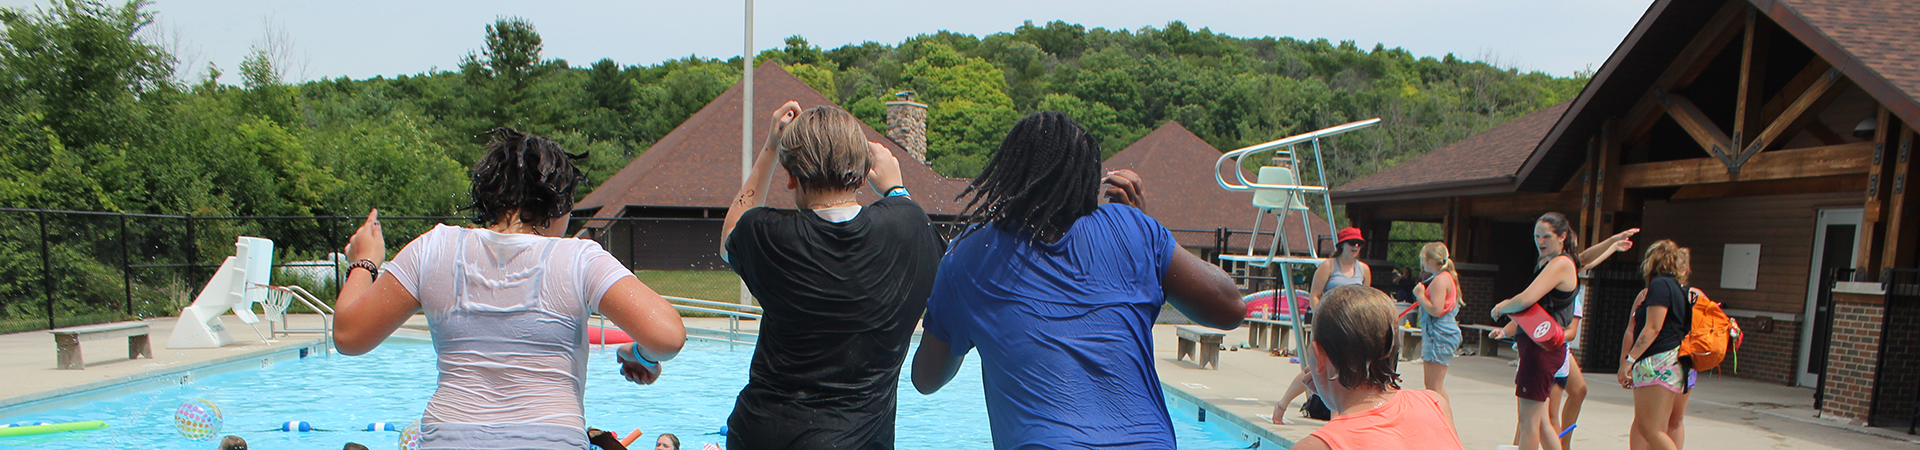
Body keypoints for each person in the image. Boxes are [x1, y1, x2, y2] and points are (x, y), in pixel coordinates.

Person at [332, 128, 688, 449]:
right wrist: (641, 354)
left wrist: (363, 263)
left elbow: (349, 336)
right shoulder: (577, 257)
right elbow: (668, 336)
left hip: (449, 437)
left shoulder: (433, 248)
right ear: (559, 200)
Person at [911, 111, 1245, 448]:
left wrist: (964, 324)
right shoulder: (1133, 230)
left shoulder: (971, 255)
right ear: (1088, 179)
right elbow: (1230, 308)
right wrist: (1145, 230)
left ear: (1009, 175)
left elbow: (925, 379)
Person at [719, 102, 945, 449]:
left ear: (791, 177)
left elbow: (730, 234)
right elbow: (916, 222)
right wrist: (896, 189)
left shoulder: (770, 235)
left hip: (763, 433)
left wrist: (770, 149)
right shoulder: (909, 227)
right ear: (863, 170)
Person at [1290, 285, 1462, 450]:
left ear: (1319, 356)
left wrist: (1333, 392)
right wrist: (1335, 396)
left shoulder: (1317, 446)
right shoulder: (1435, 403)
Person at [1486, 212, 1583, 450]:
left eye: (1546, 236)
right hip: (1543, 350)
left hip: (1541, 351)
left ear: (1562, 237)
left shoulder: (1560, 263)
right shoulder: (1557, 262)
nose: (1540, 241)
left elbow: (1526, 299)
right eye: (1536, 236)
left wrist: (1501, 307)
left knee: (1528, 422)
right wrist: (1612, 244)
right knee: (1541, 422)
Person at [1271, 227, 1372, 424]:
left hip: (1352, 329)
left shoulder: (1364, 269)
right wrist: (1324, 317)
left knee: (1346, 371)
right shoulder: (1328, 266)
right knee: (1315, 371)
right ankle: (1282, 404)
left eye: (1359, 243)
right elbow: (1315, 295)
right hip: (1330, 326)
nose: (1356, 247)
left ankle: (1337, 417)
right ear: (1342, 245)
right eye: (1352, 243)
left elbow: (1367, 299)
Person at [1619, 240, 1694, 450]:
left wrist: (1629, 360)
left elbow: (1652, 328)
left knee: (1650, 429)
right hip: (1672, 363)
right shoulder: (1678, 289)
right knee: (1657, 427)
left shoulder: (1660, 285)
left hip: (1657, 362)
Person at [1412, 242, 1461, 402]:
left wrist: (1420, 295)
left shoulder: (1440, 280)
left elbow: (1436, 310)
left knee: (1434, 386)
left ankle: (1444, 420)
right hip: (1438, 334)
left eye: (1423, 259)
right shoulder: (1445, 277)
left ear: (1431, 260)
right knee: (1433, 385)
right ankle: (1441, 419)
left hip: (1438, 334)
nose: (1422, 263)